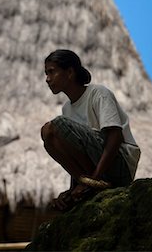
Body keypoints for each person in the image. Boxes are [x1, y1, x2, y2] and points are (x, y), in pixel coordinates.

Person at [41, 49, 141, 211]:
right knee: (48, 136)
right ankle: (86, 185)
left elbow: (115, 137)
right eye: (46, 74)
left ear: (70, 72)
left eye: (52, 72)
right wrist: (73, 191)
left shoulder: (98, 93)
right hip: (98, 171)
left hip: (120, 165)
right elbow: (75, 151)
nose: (47, 79)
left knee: (53, 127)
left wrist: (95, 178)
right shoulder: (67, 108)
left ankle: (93, 183)